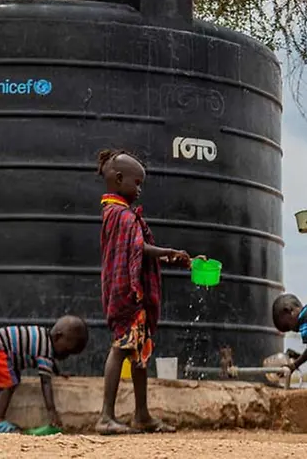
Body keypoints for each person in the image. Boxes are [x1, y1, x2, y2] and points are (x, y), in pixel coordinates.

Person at [95, 149, 195, 435]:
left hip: (130, 293)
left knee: (139, 351)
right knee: (122, 347)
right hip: (127, 293)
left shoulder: (118, 213)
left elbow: (136, 249)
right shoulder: (119, 214)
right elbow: (135, 249)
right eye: (136, 183)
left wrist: (170, 256)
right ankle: (105, 416)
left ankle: (142, 415)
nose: (139, 190)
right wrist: (168, 251)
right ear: (117, 178)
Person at [0, 316, 89, 434]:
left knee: (12, 375)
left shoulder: (44, 338)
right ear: (58, 337)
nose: (65, 356)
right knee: (9, 383)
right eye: (66, 351)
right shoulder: (45, 350)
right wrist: (52, 412)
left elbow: (50, 362)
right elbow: (45, 382)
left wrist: (58, 372)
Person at [272, 293, 307, 372]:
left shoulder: (306, 318)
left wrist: (293, 365)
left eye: (288, 326)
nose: (293, 330)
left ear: (289, 311)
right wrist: (298, 356)